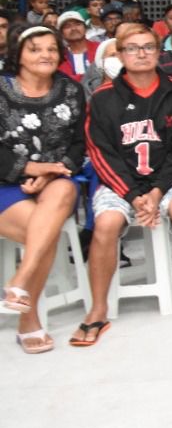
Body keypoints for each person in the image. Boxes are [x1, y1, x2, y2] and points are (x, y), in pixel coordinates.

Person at [76, 23, 172, 344]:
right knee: (105, 224)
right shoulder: (104, 99)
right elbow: (101, 154)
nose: (141, 54)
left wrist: (158, 190)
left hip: (168, 180)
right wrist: (134, 196)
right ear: (119, 54)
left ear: (158, 52)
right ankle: (98, 309)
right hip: (121, 184)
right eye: (132, 48)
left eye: (148, 47)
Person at [0, 25, 85, 353]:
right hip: (6, 185)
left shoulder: (71, 90)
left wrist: (53, 172)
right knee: (43, 230)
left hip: (55, 182)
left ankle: (19, 284)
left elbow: (78, 145)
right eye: (35, 49)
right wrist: (32, 168)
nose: (45, 55)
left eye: (51, 48)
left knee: (62, 194)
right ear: (17, 54)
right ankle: (28, 319)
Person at [55, 9, 98, 82]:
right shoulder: (58, 56)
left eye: (77, 24)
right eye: (67, 26)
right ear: (61, 33)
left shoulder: (100, 49)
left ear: (85, 28)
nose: (73, 29)